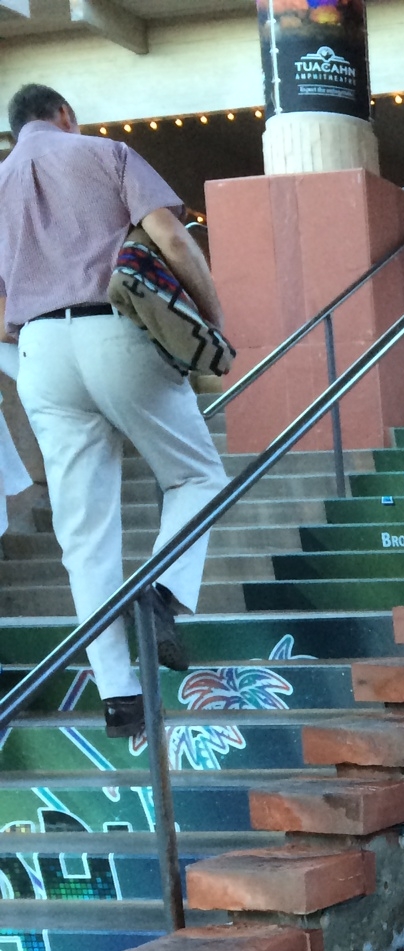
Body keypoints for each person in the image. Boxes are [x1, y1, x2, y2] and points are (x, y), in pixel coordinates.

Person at [0, 83, 227, 738]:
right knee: (194, 477)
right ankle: (163, 591)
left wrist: (27, 335)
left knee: (84, 535)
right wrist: (211, 319)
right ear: (64, 115)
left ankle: (120, 701)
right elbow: (174, 244)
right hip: (115, 329)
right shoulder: (105, 154)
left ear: (17, 130)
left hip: (40, 351)